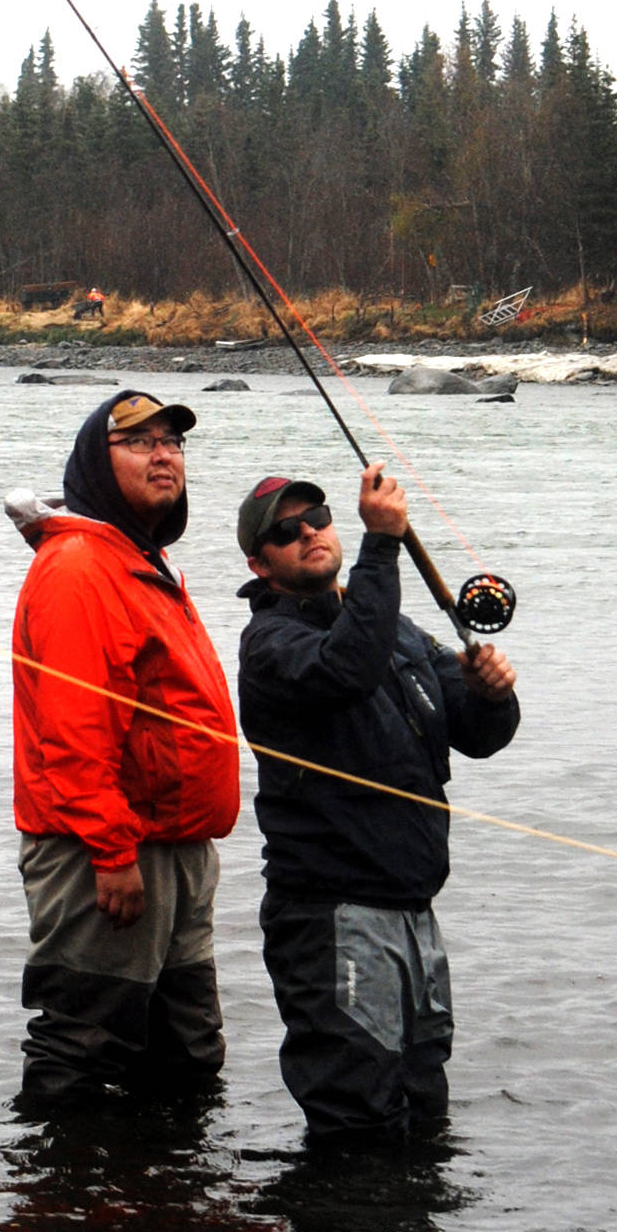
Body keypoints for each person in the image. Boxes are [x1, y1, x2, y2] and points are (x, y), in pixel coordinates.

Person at [235, 464, 519, 1145]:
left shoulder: (394, 626)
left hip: (415, 916)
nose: (309, 532)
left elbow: (480, 736)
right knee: (356, 1123)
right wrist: (383, 543)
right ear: (260, 562)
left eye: (319, 516)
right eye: (286, 529)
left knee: (425, 1110)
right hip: (331, 916)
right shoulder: (271, 645)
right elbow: (346, 666)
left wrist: (493, 692)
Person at [9, 390, 241, 1113]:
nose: (164, 453)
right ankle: (61, 1213)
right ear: (95, 461)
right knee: (84, 1045)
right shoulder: (80, 565)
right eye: (139, 442)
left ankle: (163, 1213)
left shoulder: (143, 561)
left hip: (175, 847)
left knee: (186, 1052)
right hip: (106, 852)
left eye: (173, 442)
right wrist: (111, 851)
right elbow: (73, 727)